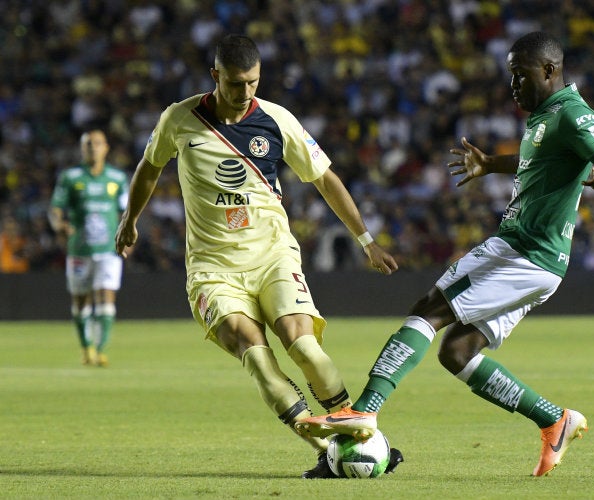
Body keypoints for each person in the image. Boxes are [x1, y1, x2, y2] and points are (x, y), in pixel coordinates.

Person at [296, 31, 594, 477]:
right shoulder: (545, 116)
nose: (513, 85)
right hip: (533, 257)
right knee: (457, 352)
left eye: (520, 75)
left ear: (549, 70)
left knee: (429, 311)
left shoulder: (572, 112)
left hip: (524, 251)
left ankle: (364, 409)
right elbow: (541, 161)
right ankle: (554, 419)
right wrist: (492, 163)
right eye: (510, 75)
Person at [114, 34, 402, 479]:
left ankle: (361, 433)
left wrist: (366, 240)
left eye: (252, 83)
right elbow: (149, 167)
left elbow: (325, 179)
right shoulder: (180, 119)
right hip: (212, 269)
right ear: (215, 76)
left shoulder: (276, 120)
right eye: (234, 83)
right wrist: (130, 218)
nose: (244, 92)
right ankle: (329, 449)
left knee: (302, 343)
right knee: (254, 351)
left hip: (272, 256)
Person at [48, 129, 129, 367]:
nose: (93, 147)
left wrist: (128, 233)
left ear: (106, 148)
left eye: (97, 143)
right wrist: (58, 225)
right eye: (88, 144)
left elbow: (125, 211)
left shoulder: (117, 178)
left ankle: (100, 350)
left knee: (106, 296)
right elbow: (55, 209)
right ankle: (87, 348)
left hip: (108, 249)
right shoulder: (71, 177)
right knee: (81, 302)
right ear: (82, 149)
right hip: (79, 250)